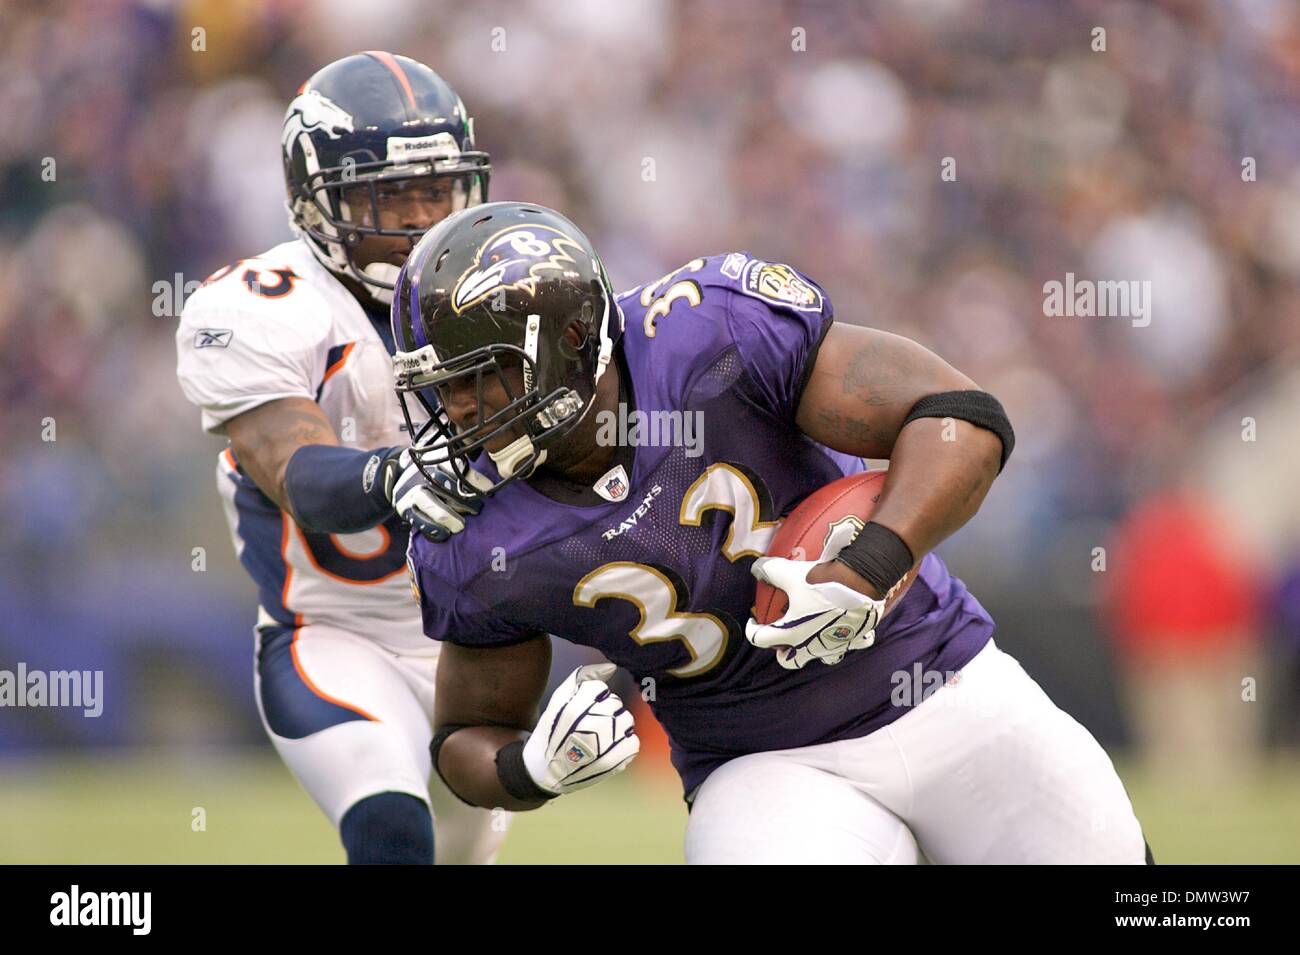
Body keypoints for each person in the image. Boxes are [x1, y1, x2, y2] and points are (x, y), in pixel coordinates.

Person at [392, 201, 1154, 864]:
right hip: (761, 763)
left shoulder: (707, 335)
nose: (456, 411)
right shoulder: (472, 528)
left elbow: (963, 415)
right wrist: (529, 768)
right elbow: (466, 732)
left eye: (474, 376)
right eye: (439, 387)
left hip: (940, 685)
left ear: (568, 339)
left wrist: (869, 565)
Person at [175, 52, 504, 864]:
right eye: (392, 194)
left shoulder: (510, 288)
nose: (423, 219)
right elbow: (297, 474)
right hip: (332, 631)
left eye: (438, 190)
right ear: (317, 199)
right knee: (390, 822)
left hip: (489, 645)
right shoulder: (259, 307)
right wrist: (398, 474)